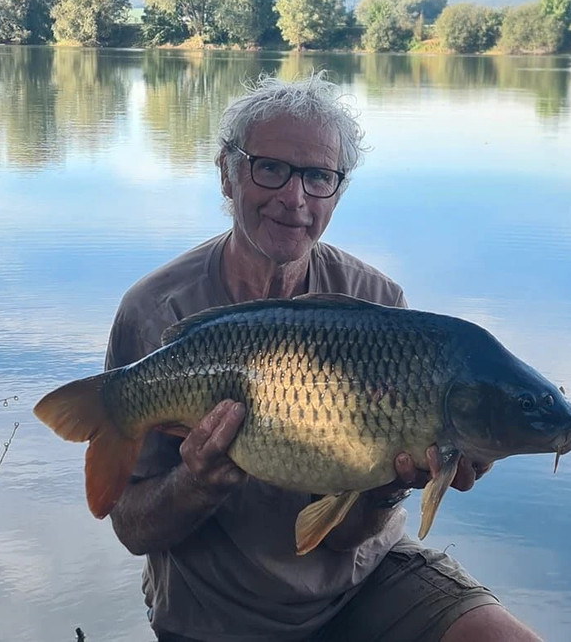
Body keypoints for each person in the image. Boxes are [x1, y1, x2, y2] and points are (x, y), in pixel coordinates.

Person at [105, 74, 542, 642]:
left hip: (364, 579)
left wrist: (390, 485)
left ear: (337, 190)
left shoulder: (379, 305)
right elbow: (135, 529)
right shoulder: (155, 311)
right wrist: (196, 481)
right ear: (227, 174)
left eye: (318, 176)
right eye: (270, 168)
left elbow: (341, 537)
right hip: (218, 611)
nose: (295, 198)